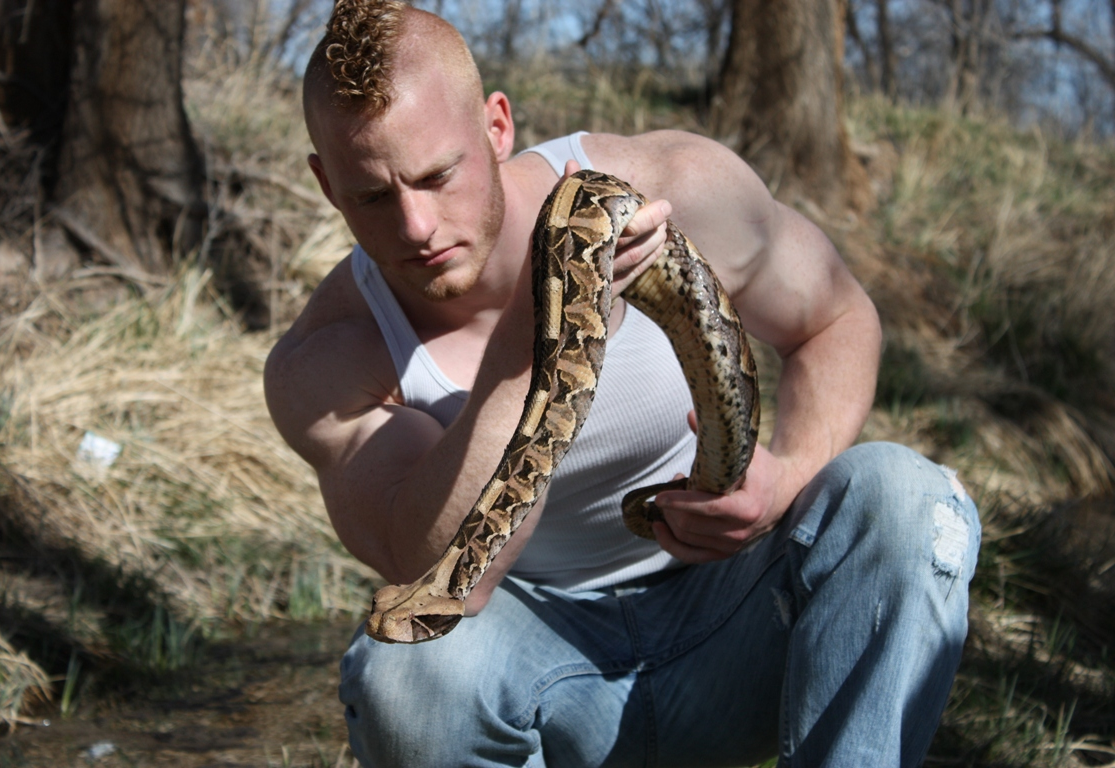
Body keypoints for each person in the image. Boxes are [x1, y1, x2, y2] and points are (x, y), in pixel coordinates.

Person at [264, 1, 981, 765]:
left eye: (439, 175)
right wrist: (535, 337)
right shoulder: (331, 360)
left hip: (741, 621)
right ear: (326, 182)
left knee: (911, 500)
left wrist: (787, 479)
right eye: (373, 196)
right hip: (540, 668)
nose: (416, 227)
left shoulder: (664, 187)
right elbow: (445, 585)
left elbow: (836, 318)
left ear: (496, 127)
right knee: (402, 674)